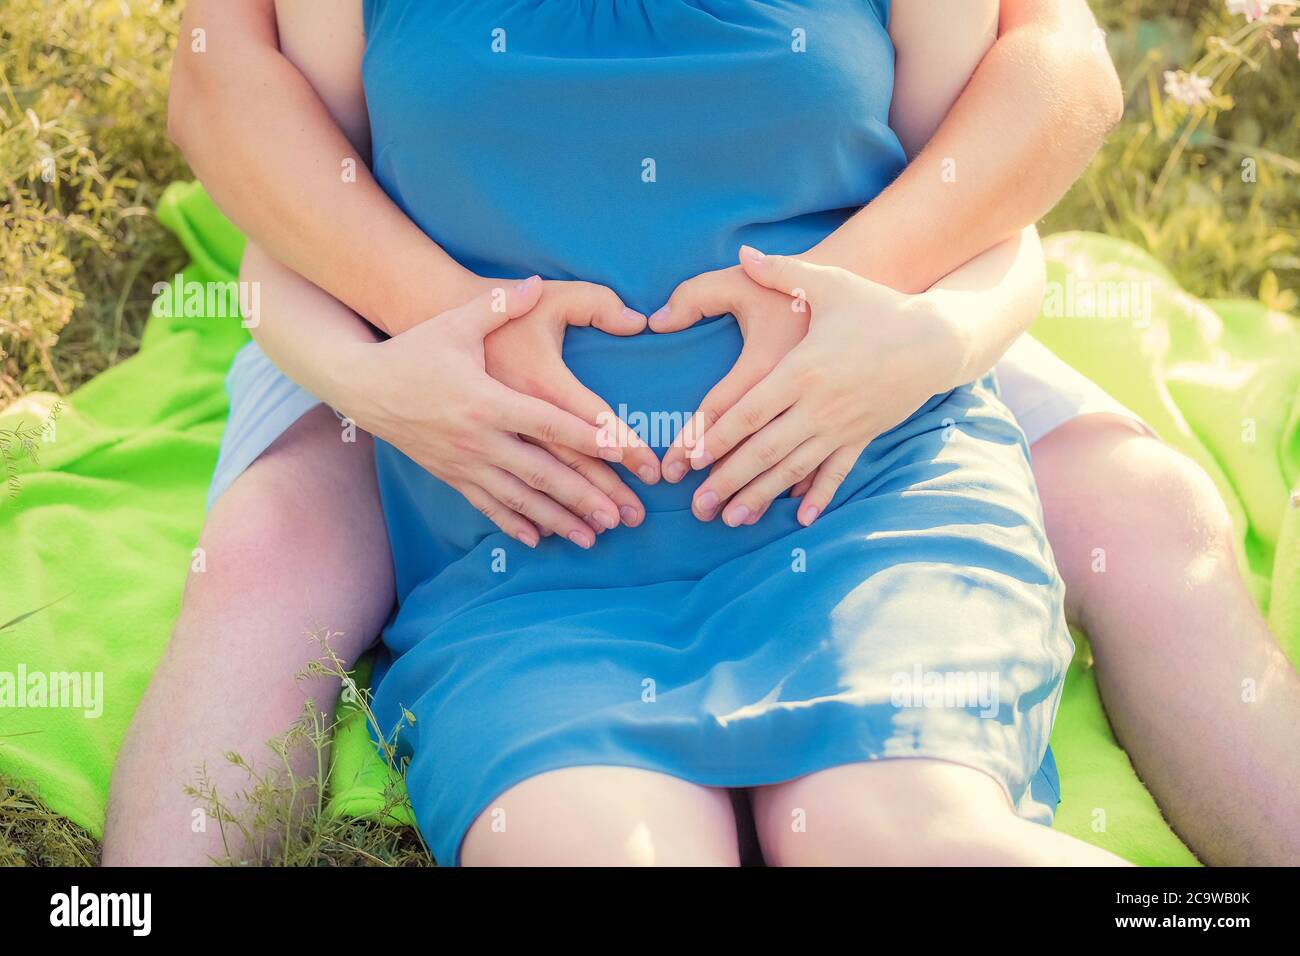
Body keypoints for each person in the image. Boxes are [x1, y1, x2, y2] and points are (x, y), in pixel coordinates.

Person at [104, 0, 1300, 866]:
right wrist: (420, 340)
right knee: (269, 560)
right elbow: (247, 129)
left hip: (854, 434)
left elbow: (1041, 89)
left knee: (1137, 521)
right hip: (489, 469)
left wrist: (871, 309)